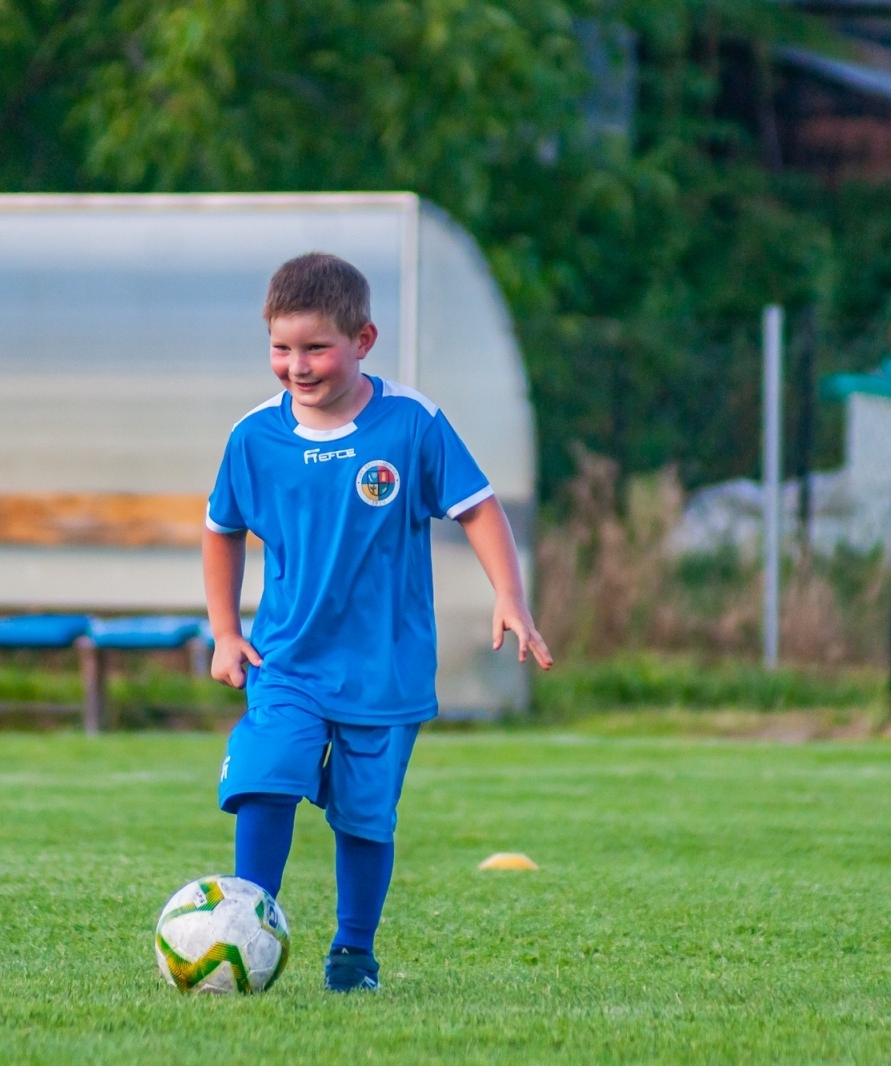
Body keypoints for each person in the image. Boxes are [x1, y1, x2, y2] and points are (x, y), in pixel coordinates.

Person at [203, 251, 551, 992]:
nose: (297, 366)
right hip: (286, 661)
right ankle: (243, 919)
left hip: (383, 671)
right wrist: (226, 630)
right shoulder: (254, 439)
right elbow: (220, 528)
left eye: (316, 348)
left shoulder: (411, 425)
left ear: (364, 339)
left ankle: (353, 951)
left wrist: (509, 596)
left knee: (365, 819)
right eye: (281, 349)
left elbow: (479, 508)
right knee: (266, 777)